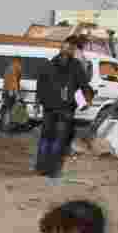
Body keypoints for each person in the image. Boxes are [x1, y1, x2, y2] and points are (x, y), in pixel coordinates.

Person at [35, 37, 93, 179]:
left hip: (49, 108)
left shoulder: (49, 64)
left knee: (46, 137)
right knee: (58, 139)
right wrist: (86, 99)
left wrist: (39, 102)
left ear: (60, 50)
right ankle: (52, 170)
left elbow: (40, 86)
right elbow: (82, 85)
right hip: (65, 108)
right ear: (71, 51)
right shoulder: (76, 66)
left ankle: (41, 167)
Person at [0, 57, 23, 133]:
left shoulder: (9, 67)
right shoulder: (16, 67)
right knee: (9, 110)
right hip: (11, 92)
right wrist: (16, 93)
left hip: (6, 91)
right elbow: (14, 81)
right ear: (18, 61)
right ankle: (7, 127)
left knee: (5, 108)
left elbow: (7, 80)